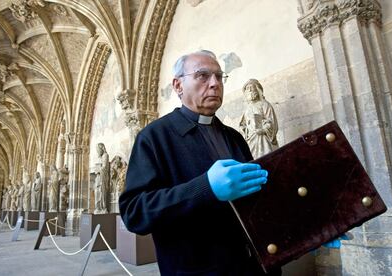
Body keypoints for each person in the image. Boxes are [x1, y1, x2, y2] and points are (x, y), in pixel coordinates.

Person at [119, 50, 276, 275]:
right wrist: (205, 189)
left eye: (219, 76)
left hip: (250, 267)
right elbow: (135, 213)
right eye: (203, 76)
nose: (214, 84)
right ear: (178, 85)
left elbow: (256, 197)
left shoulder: (233, 137)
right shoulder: (154, 137)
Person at [240, 79, 278, 158]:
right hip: (251, 140)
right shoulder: (247, 109)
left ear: (257, 90)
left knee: (267, 158)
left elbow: (272, 122)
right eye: (247, 89)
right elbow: (242, 125)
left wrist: (263, 129)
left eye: (251, 87)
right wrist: (244, 130)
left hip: (263, 139)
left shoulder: (265, 105)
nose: (250, 90)